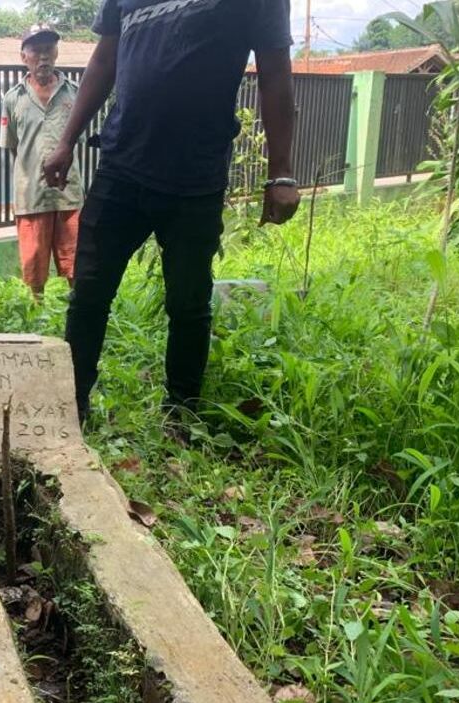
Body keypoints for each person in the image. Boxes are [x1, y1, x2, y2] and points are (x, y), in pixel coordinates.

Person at [43, 0, 300, 429]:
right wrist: (67, 139)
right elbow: (105, 58)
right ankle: (71, 407)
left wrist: (281, 173)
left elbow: (275, 71)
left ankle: (181, 416)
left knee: (188, 303)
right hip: (121, 163)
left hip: (195, 176)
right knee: (88, 294)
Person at [0, 24, 83, 300]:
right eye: (36, 50)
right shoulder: (13, 99)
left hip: (68, 193)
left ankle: (77, 312)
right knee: (34, 270)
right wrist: (30, 173)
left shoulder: (75, 93)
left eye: (48, 49)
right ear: (24, 57)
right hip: (31, 195)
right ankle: (37, 313)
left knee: (76, 263)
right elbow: (13, 147)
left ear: (57, 52)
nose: (43, 56)